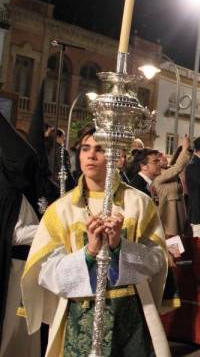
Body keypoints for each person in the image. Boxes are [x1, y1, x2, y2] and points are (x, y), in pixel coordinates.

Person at [20, 124, 170, 356]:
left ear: (116, 156)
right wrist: (88, 252)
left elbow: (157, 261)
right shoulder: (62, 209)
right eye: (85, 148)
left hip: (129, 316)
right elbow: (46, 271)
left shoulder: (139, 204)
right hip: (79, 318)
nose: (90, 155)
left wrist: (120, 246)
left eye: (100, 149)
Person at [0, 112, 41, 356]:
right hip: (12, 267)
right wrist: (51, 230)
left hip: (25, 266)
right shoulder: (6, 191)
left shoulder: (18, 188)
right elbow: (13, 233)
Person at [154, 136, 192, 238]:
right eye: (159, 156)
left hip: (180, 224)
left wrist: (180, 150)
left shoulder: (167, 172)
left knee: (180, 253)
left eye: (163, 155)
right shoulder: (159, 177)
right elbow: (177, 167)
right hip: (168, 227)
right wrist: (184, 149)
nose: (164, 156)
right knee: (172, 253)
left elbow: (174, 165)